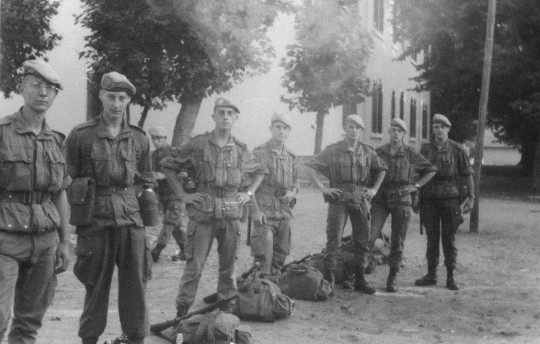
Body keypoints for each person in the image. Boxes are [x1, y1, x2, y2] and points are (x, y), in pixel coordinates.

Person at [65, 72, 154, 344]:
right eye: (111, 97)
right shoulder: (81, 136)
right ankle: (89, 340)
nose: (116, 104)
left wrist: (143, 202)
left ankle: (135, 338)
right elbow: (67, 177)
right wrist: (82, 200)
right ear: (101, 96)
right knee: (95, 286)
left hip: (130, 221)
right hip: (96, 221)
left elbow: (147, 178)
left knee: (135, 287)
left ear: (128, 101)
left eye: (122, 98)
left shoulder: (139, 138)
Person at [160, 97, 268, 317]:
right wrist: (183, 195)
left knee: (228, 268)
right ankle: (182, 311)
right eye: (221, 112)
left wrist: (247, 194)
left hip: (230, 213)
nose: (225, 117)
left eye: (230, 113)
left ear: (236, 118)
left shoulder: (240, 148)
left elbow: (261, 170)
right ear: (214, 116)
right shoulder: (197, 144)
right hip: (203, 213)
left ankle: (226, 308)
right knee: (194, 266)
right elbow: (167, 165)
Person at [0, 60, 71, 344]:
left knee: (29, 323)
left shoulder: (55, 140)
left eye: (50, 88)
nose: (43, 93)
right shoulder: (2, 133)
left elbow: (59, 192)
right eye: (36, 85)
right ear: (22, 89)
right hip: (5, 241)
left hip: (45, 242)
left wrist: (64, 243)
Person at [305, 114, 387, 294]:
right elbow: (310, 165)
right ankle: (329, 281)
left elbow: (381, 169)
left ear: (362, 131)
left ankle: (360, 279)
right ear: (345, 128)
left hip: (360, 198)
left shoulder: (367, 151)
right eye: (350, 126)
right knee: (334, 238)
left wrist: (373, 190)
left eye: (357, 127)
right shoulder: (333, 150)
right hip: (339, 197)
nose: (354, 130)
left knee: (363, 239)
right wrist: (323, 188)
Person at [368, 118, 437, 292]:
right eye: (392, 130)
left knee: (398, 240)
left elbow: (431, 170)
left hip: (402, 198)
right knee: (371, 234)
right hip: (381, 198)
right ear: (388, 132)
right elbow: (369, 171)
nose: (395, 134)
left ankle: (392, 277)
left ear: (404, 134)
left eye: (399, 131)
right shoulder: (379, 152)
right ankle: (358, 273)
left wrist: (417, 185)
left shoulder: (411, 154)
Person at [415, 114, 474, 291]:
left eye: (442, 126)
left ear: (448, 128)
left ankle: (450, 276)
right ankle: (431, 274)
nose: (438, 130)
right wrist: (416, 196)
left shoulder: (457, 150)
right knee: (432, 238)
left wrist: (471, 197)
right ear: (432, 129)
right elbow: (417, 174)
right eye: (435, 126)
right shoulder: (425, 149)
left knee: (449, 238)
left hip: (450, 200)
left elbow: (467, 174)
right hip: (429, 200)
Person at [249, 113, 299, 282]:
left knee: (280, 255)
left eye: (285, 128)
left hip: (283, 212)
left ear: (289, 131)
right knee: (264, 256)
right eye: (278, 127)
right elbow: (248, 186)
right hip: (264, 211)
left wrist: (292, 192)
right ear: (271, 129)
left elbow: (296, 182)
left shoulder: (291, 156)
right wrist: (255, 211)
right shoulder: (259, 152)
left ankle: (272, 293)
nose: (281, 131)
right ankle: (258, 295)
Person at [148, 126, 187, 262]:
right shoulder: (153, 155)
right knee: (175, 225)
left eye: (158, 139)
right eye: (153, 138)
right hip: (163, 195)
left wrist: (164, 176)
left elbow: (184, 172)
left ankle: (157, 250)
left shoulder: (174, 153)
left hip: (176, 194)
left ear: (165, 139)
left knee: (169, 222)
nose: (155, 141)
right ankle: (186, 251)